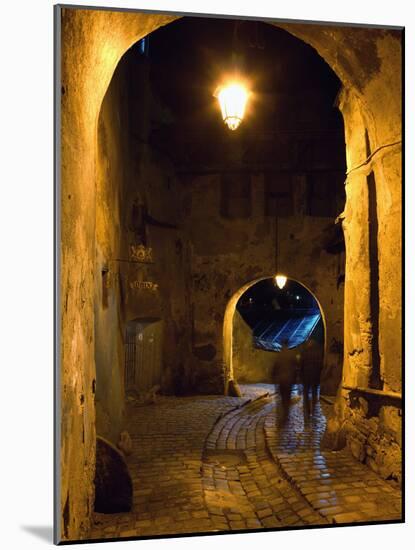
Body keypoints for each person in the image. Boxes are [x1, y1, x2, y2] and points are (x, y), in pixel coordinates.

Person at [273, 339, 298, 424]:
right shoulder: (292, 354)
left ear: (283, 345)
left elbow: (275, 367)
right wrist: (295, 379)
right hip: (289, 380)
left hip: (281, 380)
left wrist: (273, 377)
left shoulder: (279, 355)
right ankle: (286, 414)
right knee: (287, 397)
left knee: (283, 397)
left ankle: (284, 413)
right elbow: (296, 368)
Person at [299, 338, 323, 419]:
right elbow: (320, 365)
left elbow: (301, 365)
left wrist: (301, 376)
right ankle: (313, 409)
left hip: (306, 376)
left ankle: (308, 410)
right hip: (315, 376)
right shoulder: (318, 353)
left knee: (306, 393)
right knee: (314, 393)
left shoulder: (304, 352)